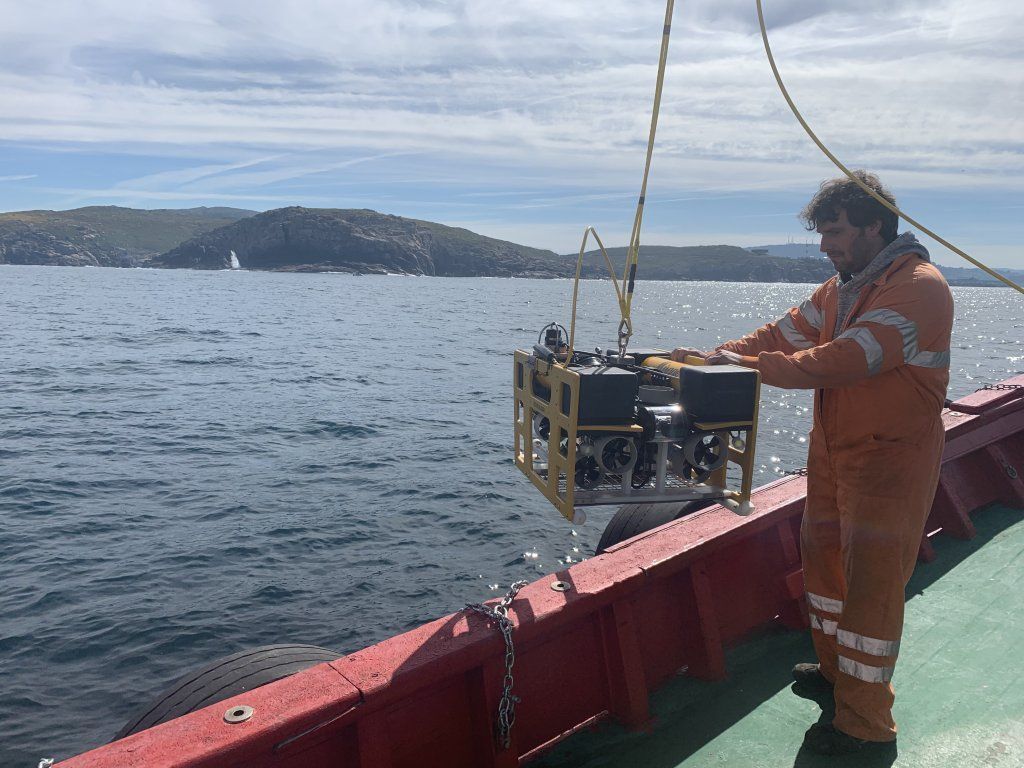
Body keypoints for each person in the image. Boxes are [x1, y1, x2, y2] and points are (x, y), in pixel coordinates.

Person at [672, 171, 953, 756]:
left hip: (891, 460)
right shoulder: (839, 289)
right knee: (824, 568)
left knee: (872, 591)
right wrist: (716, 356)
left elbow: (846, 359)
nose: (825, 245)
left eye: (835, 232)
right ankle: (833, 675)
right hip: (832, 452)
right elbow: (784, 333)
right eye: (823, 233)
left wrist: (748, 368)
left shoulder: (920, 287)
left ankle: (864, 727)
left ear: (874, 226)